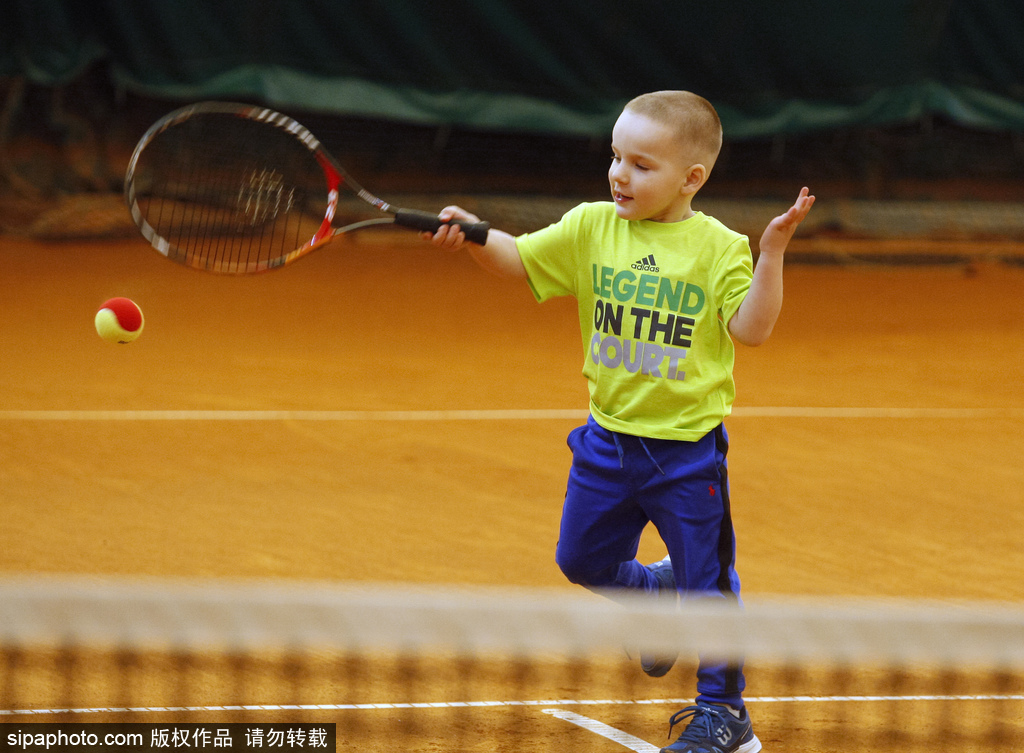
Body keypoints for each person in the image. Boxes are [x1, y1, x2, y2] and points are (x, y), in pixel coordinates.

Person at [425, 90, 815, 753]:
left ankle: (725, 713)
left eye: (640, 164)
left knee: (711, 586)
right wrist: (477, 235)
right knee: (581, 557)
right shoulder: (590, 227)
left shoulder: (718, 248)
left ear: (692, 178)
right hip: (606, 442)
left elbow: (752, 329)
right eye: (615, 157)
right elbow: (520, 260)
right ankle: (652, 593)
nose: (619, 174)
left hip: (689, 455)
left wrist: (771, 253)